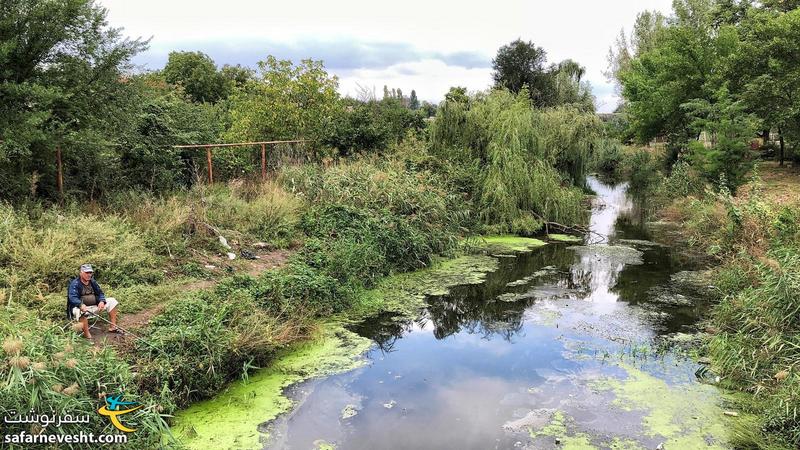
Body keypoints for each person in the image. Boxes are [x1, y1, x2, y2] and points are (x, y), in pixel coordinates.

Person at [66, 264, 120, 339]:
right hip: (80, 308)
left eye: (90, 273)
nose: (89, 275)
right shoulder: (75, 284)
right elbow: (72, 297)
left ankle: (113, 327)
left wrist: (101, 301)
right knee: (80, 311)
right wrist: (80, 304)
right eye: (86, 273)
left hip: (95, 305)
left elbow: (100, 293)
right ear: (81, 273)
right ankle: (87, 335)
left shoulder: (92, 282)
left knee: (112, 301)